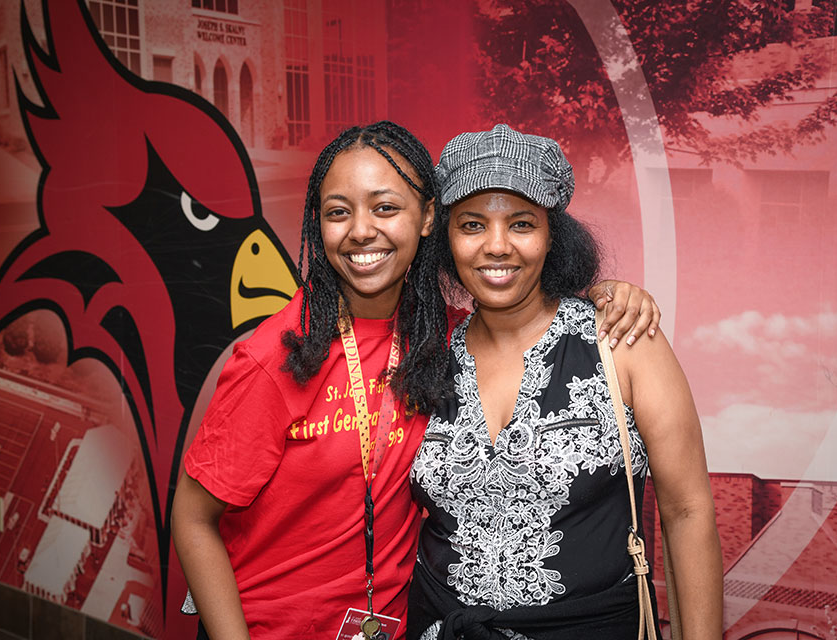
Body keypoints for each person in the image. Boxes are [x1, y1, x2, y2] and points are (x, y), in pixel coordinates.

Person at [171, 121, 660, 640]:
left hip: (402, 627)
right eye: (339, 212)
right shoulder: (277, 357)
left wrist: (610, 294)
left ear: (428, 218)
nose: (362, 230)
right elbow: (192, 517)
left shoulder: (446, 339)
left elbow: (527, 317)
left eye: (385, 208)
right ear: (318, 225)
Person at [407, 125, 723, 640]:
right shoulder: (428, 352)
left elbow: (687, 512)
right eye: (471, 225)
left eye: (522, 223)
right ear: (446, 238)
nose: (497, 246)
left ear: (554, 235)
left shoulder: (622, 341)